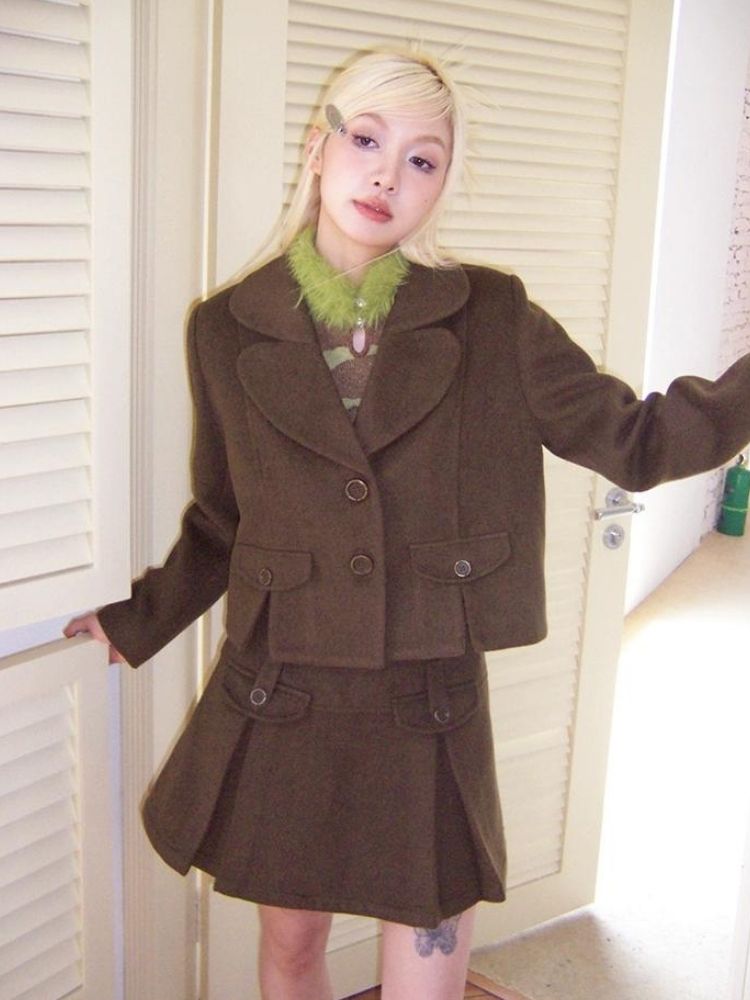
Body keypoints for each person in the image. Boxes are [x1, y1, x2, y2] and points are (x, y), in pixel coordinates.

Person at [64, 47, 750, 1000]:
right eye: (367, 140)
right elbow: (224, 517)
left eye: (423, 159)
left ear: (442, 187)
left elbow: (636, 441)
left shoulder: (493, 316)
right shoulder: (223, 327)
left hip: (428, 696)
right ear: (319, 149)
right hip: (283, 686)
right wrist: (136, 620)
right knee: (291, 952)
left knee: (426, 980)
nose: (388, 175)